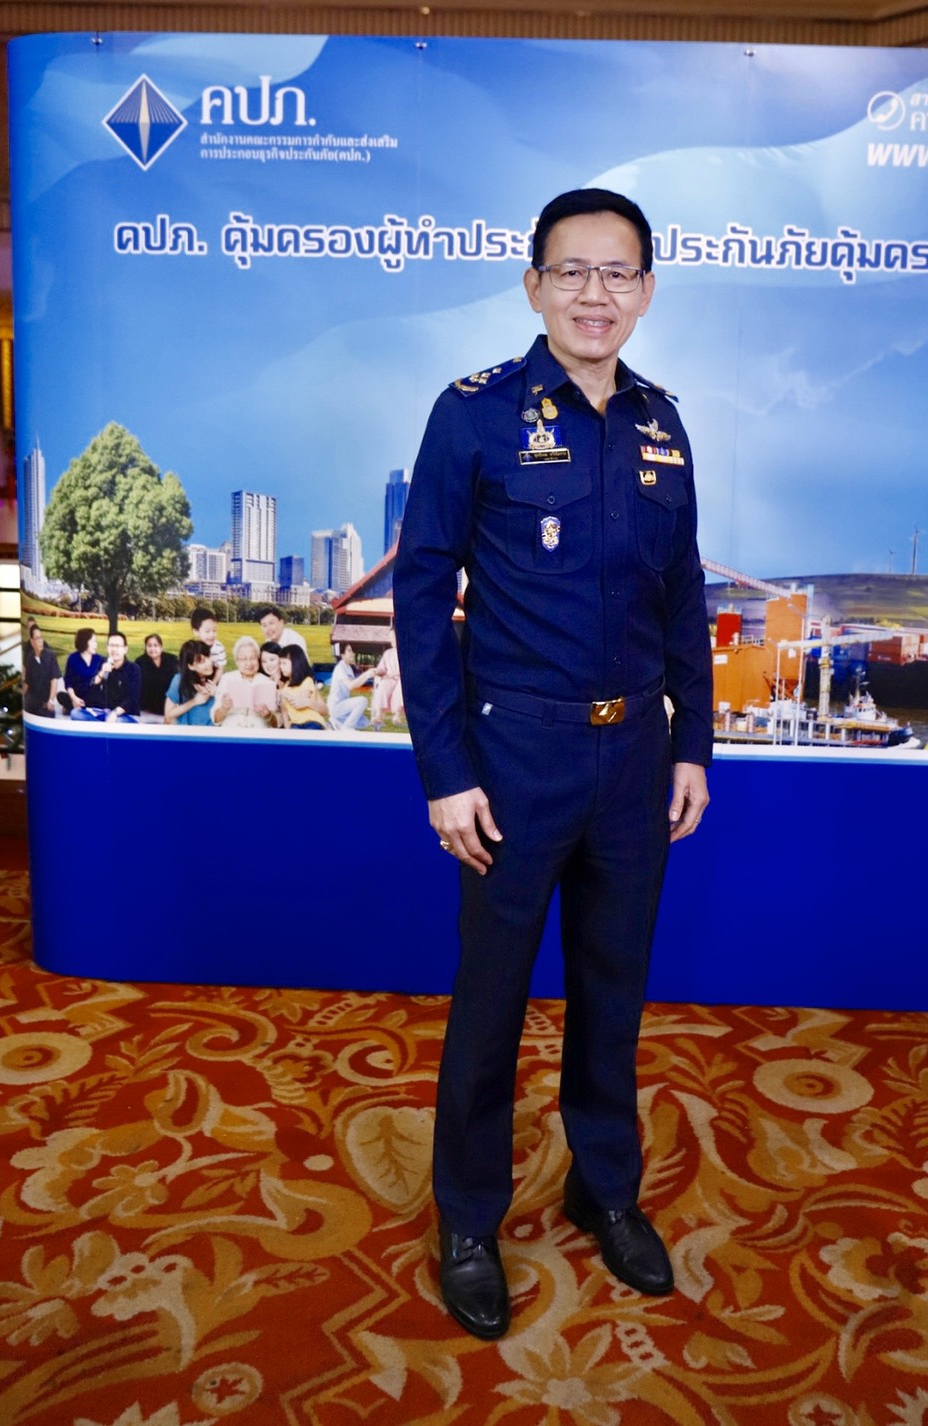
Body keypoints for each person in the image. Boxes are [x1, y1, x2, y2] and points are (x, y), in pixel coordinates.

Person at [393, 188, 712, 1340]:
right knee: (488, 1002)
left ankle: (603, 1188)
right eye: (571, 270)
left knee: (613, 992)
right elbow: (420, 592)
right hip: (513, 758)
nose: (594, 293)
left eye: (616, 272)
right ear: (533, 285)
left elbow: (683, 596)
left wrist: (692, 744)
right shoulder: (474, 414)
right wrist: (445, 770)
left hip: (633, 762)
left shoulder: (662, 426)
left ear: (645, 290)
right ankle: (468, 1219)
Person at [211, 635, 277, 728]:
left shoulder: (267, 682)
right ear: (237, 661)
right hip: (232, 731)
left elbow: (277, 724)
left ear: (258, 659)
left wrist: (268, 715)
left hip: (258, 733)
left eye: (252, 658)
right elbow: (216, 720)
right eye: (243, 659)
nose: (249, 663)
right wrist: (224, 708)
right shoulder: (227, 679)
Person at [164, 639, 218, 727]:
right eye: (202, 661)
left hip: (214, 732)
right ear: (191, 666)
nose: (209, 663)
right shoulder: (179, 680)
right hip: (187, 731)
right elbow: (168, 715)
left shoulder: (219, 677)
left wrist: (218, 694)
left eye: (209, 656)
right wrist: (194, 701)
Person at [278, 646, 329, 729]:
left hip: (311, 721)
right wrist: (287, 732)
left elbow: (299, 701)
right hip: (296, 723)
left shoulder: (306, 681)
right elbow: (285, 713)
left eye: (284, 663)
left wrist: (284, 694)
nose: (281, 667)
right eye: (280, 663)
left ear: (295, 663)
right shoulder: (284, 687)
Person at [63, 628, 107, 717]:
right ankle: (73, 703)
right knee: (62, 696)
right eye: (93, 642)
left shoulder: (99, 659)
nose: (96, 645)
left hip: (94, 696)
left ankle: (74, 707)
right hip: (78, 694)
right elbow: (68, 682)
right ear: (85, 642)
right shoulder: (73, 658)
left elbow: (103, 681)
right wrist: (74, 698)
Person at [136, 634, 179, 724]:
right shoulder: (140, 662)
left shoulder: (172, 660)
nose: (152, 649)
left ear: (161, 647)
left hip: (170, 707)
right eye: (149, 646)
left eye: (155, 645)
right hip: (147, 710)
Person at [327, 642, 371, 730]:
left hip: (343, 705)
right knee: (362, 701)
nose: (352, 653)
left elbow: (356, 684)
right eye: (349, 651)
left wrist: (368, 675)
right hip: (336, 706)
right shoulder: (340, 668)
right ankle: (347, 727)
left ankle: (337, 723)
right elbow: (350, 685)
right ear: (342, 654)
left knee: (364, 722)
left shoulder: (348, 668)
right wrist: (367, 674)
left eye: (352, 651)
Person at [101, 632, 142, 722]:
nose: (114, 649)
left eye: (118, 646)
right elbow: (93, 691)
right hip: (105, 713)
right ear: (107, 647)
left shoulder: (133, 669)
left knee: (118, 721)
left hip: (126, 714)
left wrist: (115, 713)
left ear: (125, 649)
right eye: (111, 645)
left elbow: (132, 698)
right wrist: (101, 673)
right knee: (76, 713)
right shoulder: (102, 664)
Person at [22, 625, 61, 718]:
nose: (40, 641)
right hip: (32, 702)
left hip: (46, 703)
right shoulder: (30, 658)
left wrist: (51, 700)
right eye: (37, 638)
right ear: (32, 642)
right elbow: (27, 682)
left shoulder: (50, 656)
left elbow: (54, 680)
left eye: (41, 638)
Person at [370, 632, 404, 726]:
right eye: (391, 638)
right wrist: (377, 672)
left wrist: (395, 674)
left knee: (401, 687)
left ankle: (398, 715)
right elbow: (382, 668)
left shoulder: (406, 652)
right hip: (390, 678)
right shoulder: (388, 653)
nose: (392, 640)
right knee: (384, 684)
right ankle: (379, 715)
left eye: (394, 637)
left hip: (401, 678)